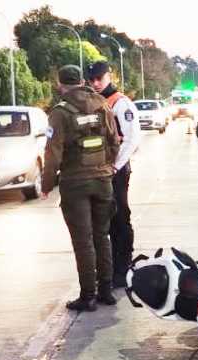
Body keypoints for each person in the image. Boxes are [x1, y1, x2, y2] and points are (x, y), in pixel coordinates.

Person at [41, 65, 121, 311]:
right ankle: (106, 291)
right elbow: (114, 140)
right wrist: (107, 167)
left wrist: (46, 184)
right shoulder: (102, 105)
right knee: (102, 235)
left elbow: (52, 152)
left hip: (75, 183)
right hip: (102, 181)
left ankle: (88, 296)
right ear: (83, 81)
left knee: (83, 241)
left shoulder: (60, 112)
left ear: (60, 83)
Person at [85, 61, 141, 290]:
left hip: (115, 173)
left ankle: (123, 269)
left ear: (109, 76)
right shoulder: (92, 102)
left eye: (100, 78)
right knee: (101, 224)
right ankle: (107, 270)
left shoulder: (121, 103)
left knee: (119, 220)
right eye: (92, 79)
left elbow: (131, 140)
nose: (96, 83)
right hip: (97, 172)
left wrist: (115, 168)